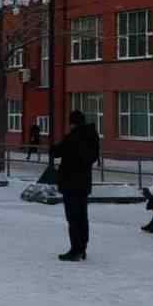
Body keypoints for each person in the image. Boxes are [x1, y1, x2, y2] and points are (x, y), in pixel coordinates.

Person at [52, 110, 100, 261]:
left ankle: (75, 250)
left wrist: (55, 146)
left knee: (73, 218)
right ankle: (82, 248)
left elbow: (56, 152)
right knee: (82, 216)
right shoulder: (92, 136)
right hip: (84, 183)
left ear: (72, 123)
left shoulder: (73, 137)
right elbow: (92, 157)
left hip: (70, 183)